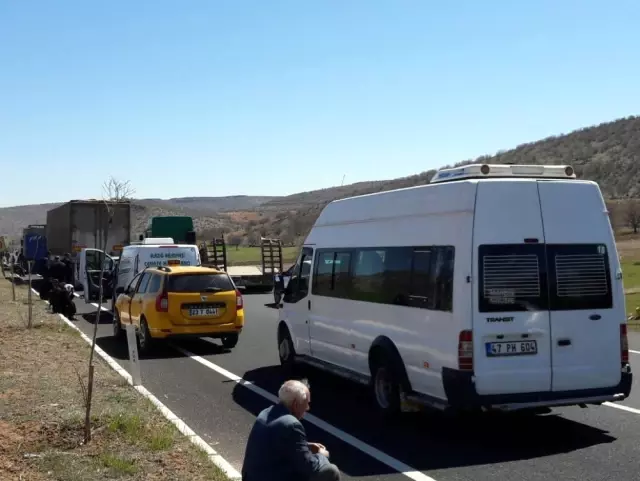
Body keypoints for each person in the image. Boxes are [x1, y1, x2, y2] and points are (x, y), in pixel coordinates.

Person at [242, 379, 340, 481]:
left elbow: (274, 444)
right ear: (295, 404)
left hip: (251, 477)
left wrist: (305, 446)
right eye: (306, 403)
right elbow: (310, 467)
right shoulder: (292, 424)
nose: (307, 408)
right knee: (330, 471)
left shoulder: (266, 412)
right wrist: (322, 455)